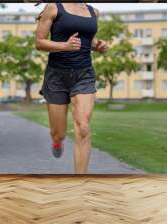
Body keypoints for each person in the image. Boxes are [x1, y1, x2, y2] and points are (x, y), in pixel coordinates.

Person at [35, 3, 108, 174]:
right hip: (56, 76)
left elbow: (87, 40)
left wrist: (99, 46)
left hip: (84, 74)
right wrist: (64, 46)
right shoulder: (53, 7)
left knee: (83, 128)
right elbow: (39, 42)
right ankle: (57, 141)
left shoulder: (93, 12)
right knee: (58, 132)